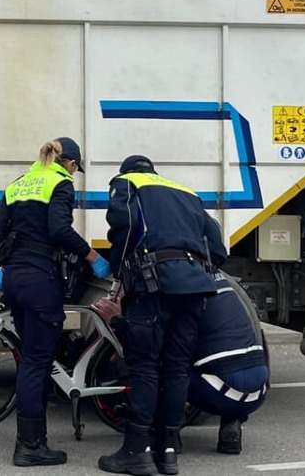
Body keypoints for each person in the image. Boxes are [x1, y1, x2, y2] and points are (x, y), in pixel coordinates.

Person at [98, 155, 227, 476]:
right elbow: (218, 246)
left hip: (154, 286)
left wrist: (121, 271)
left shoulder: (127, 184)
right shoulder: (186, 192)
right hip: (195, 288)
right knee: (176, 368)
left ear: (127, 171)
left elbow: (123, 227)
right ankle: (168, 451)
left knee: (144, 367)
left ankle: (135, 450)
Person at [0, 136, 112, 467]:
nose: (75, 172)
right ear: (69, 163)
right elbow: (59, 229)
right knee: (36, 362)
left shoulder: (17, 184)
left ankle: (34, 440)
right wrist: (91, 255)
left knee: (31, 358)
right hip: (41, 279)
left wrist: (10, 267)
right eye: (76, 167)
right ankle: (29, 446)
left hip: (15, 278)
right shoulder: (61, 182)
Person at [91, 270, 269, 457]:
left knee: (162, 366)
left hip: (217, 391)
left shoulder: (180, 285)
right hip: (257, 391)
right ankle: (231, 423)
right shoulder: (221, 280)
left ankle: (168, 435)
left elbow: (151, 342)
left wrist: (119, 320)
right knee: (223, 355)